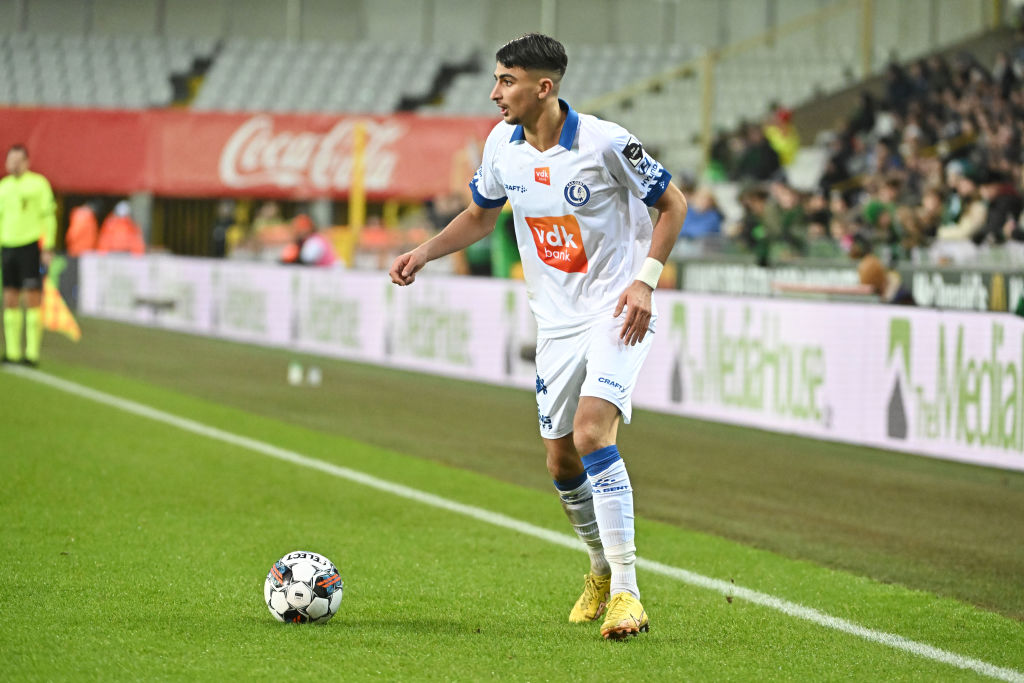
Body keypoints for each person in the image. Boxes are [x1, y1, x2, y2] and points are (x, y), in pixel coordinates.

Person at [389, 34, 686, 640]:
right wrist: (424, 253)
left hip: (616, 311)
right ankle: (600, 569)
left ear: (543, 87)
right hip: (555, 325)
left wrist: (644, 283)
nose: (495, 93)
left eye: (507, 80)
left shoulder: (606, 142)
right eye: (497, 80)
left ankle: (629, 593)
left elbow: (672, 204)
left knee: (591, 431)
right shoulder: (502, 145)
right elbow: (480, 213)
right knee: (559, 457)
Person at [0, 144, 57, 367]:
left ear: (26, 162)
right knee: (9, 297)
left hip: (29, 246)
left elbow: (48, 216)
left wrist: (48, 246)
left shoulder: (38, 184)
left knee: (32, 297)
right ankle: (12, 352)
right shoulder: (3, 187)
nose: (13, 164)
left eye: (17, 160)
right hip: (7, 247)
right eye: (10, 160)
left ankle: (32, 353)